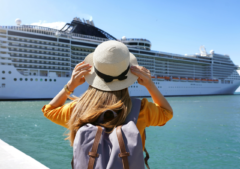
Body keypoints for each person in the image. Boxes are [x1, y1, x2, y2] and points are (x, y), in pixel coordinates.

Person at [42, 40, 173, 166]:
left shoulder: (78, 109)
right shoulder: (141, 109)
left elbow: (49, 110)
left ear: (94, 73)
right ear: (129, 74)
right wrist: (150, 85)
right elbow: (166, 112)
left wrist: (70, 85)